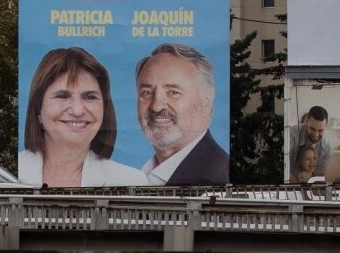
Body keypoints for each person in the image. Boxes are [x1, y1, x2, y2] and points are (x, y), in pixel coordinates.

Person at [18, 47, 147, 187]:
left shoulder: (132, 182)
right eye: (62, 96)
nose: (77, 110)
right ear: (38, 111)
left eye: (90, 97)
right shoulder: (5, 175)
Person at [136, 43, 228, 186]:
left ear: (206, 103)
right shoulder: (137, 176)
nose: (156, 106)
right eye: (147, 93)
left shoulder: (219, 181)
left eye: (173, 92)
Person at [290, 105, 336, 183]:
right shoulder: (291, 134)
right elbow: (285, 167)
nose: (316, 135)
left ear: (326, 126)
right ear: (306, 121)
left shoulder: (327, 147)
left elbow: (319, 176)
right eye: (312, 129)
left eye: (320, 130)